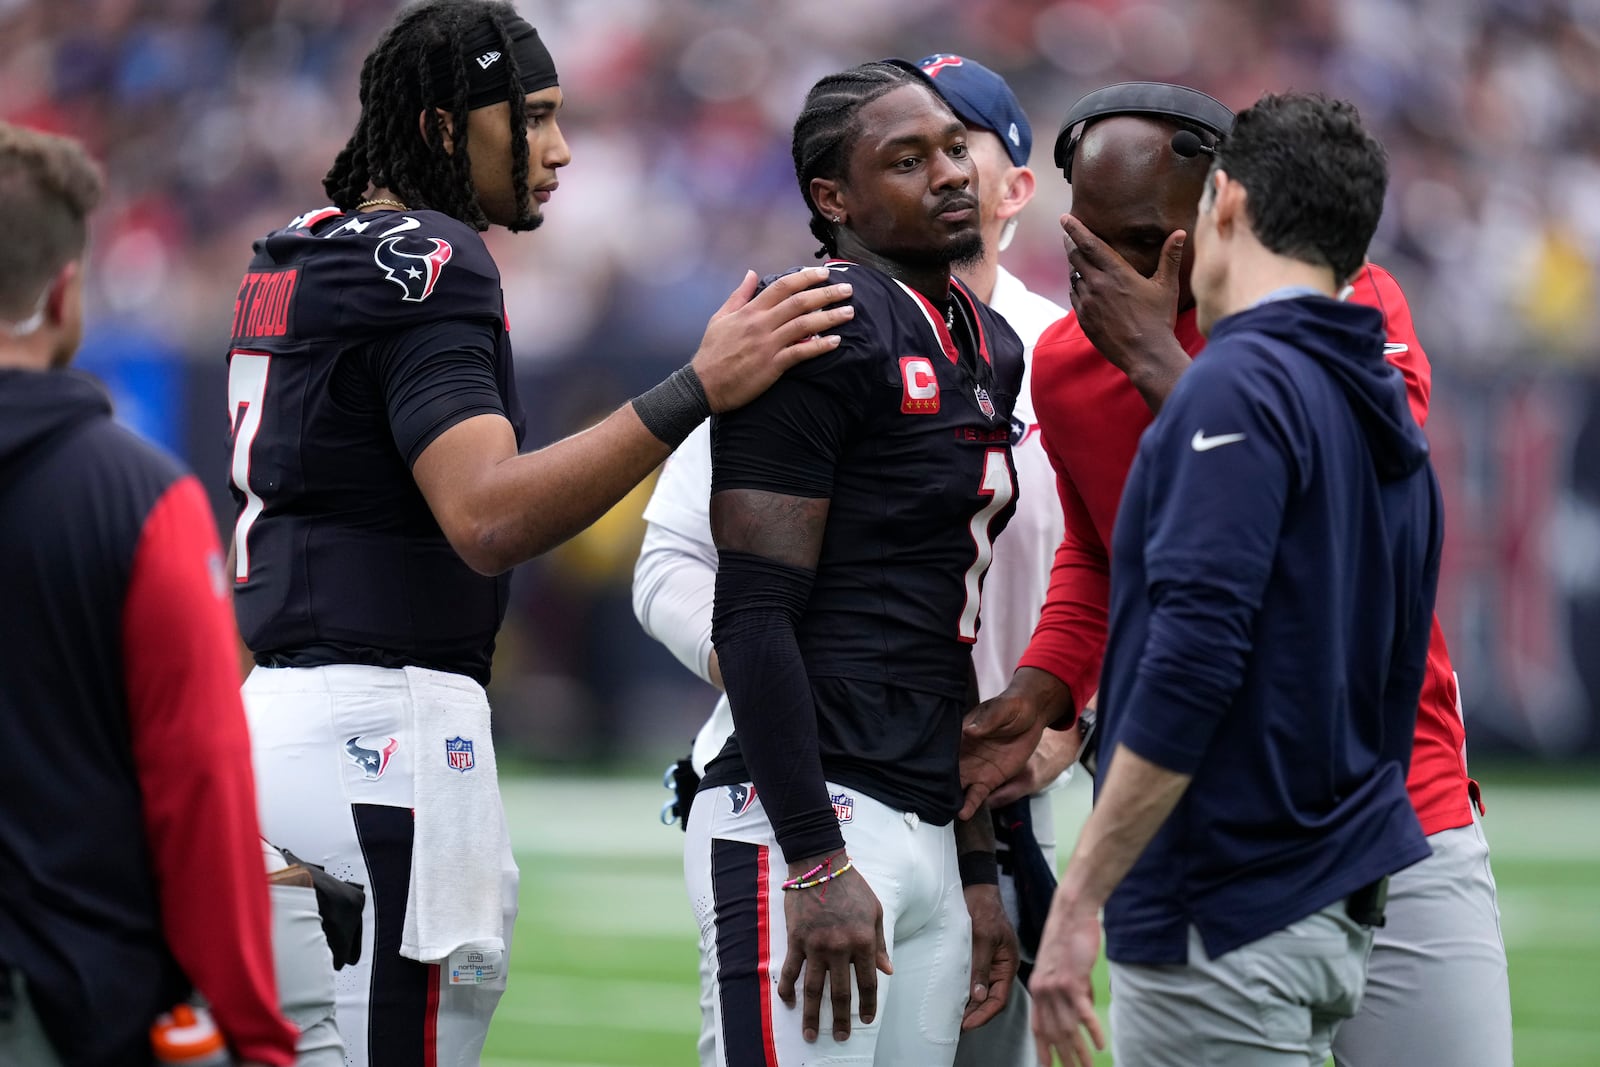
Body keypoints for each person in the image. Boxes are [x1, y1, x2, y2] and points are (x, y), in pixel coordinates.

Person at [224, 3, 853, 1065]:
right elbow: (488, 516)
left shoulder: (299, 249)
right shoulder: (432, 255)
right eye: (536, 118)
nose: (560, 151)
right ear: (438, 127)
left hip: (283, 729)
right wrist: (699, 385)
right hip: (384, 740)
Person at [960, 82, 1513, 1067]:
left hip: (1400, 798)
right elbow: (1100, 547)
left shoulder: (1341, 299)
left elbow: (1345, 500)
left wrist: (1155, 365)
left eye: (1146, 238)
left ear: (1222, 205)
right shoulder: (1062, 360)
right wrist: (1046, 684)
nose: (1119, 273)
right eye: (1092, 240)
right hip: (1195, 814)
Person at [633, 52, 1069, 1067]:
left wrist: (971, 866)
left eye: (954, 149)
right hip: (813, 810)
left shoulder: (986, 343)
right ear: (833, 197)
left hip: (923, 806)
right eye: (907, 159)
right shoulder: (818, 318)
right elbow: (749, 612)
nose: (949, 173)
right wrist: (813, 855)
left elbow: (944, 622)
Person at [0, 122, 297, 1067]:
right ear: (64, 289)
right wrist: (253, 1032)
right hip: (70, 999)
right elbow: (200, 779)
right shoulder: (140, 499)